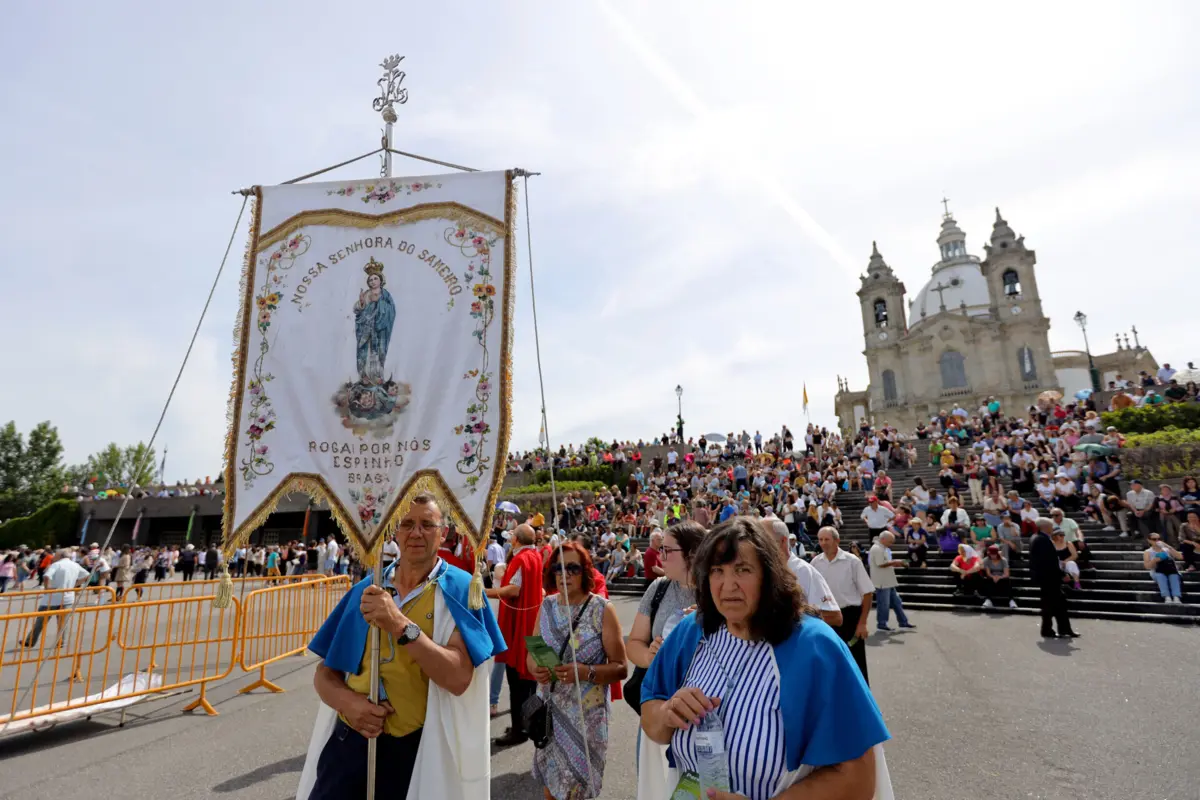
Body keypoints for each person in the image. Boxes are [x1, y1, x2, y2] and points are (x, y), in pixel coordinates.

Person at [640, 517, 893, 800]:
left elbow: (858, 778)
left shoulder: (814, 647)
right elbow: (652, 712)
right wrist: (667, 715)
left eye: (742, 570)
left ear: (769, 575)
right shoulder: (691, 632)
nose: (727, 585)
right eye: (716, 571)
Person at [297, 493, 506, 800]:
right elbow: (325, 674)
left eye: (427, 524)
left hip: (417, 752)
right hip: (348, 745)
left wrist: (399, 624)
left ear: (443, 533)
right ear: (395, 531)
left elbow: (459, 678)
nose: (416, 532)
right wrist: (348, 703)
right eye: (407, 523)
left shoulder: (463, 589)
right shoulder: (367, 589)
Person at [530, 542, 627, 800]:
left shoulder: (602, 609)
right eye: (557, 568)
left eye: (572, 568)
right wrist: (536, 670)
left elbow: (621, 667)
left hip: (586, 720)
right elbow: (533, 652)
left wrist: (585, 672)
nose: (564, 575)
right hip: (550, 715)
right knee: (550, 788)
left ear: (585, 571)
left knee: (578, 793)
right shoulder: (547, 605)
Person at [487, 523, 544, 747]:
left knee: (517, 680)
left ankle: (520, 729)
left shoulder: (521, 558)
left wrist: (484, 592)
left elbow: (514, 590)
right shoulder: (535, 556)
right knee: (528, 682)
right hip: (531, 623)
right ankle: (526, 723)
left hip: (520, 626)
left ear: (515, 540)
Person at [811, 526, 875, 685]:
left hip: (851, 618)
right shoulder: (815, 563)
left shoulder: (852, 561)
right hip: (825, 618)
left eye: (827, 539)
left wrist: (863, 623)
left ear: (837, 540)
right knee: (828, 662)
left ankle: (861, 704)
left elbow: (867, 593)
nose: (823, 543)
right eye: (820, 540)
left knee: (856, 662)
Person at [766, 518, 840, 627]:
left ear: (782, 541)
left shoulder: (803, 571)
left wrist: (788, 618)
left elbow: (835, 617)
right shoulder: (761, 571)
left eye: (764, 541)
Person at [23, 550, 88, 648]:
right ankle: (61, 642)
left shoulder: (56, 565)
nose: (54, 557)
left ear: (60, 556)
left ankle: (30, 641)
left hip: (52, 598)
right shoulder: (75, 565)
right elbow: (87, 575)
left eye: (56, 555)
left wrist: (47, 588)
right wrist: (75, 585)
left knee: (40, 621)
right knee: (62, 623)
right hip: (68, 597)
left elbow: (46, 576)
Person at [1029, 518, 1079, 639]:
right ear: (1045, 527)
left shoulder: (1037, 538)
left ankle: (1062, 629)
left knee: (1057, 604)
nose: (1053, 528)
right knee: (1051, 605)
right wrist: (1062, 575)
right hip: (1049, 578)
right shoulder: (1042, 540)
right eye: (1051, 526)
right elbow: (1049, 562)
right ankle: (1050, 630)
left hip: (1047, 577)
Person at [869, 531, 914, 633]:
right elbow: (881, 564)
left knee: (897, 602)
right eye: (890, 541)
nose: (891, 544)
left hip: (888, 581)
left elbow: (885, 564)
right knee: (884, 604)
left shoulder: (883, 548)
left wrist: (896, 563)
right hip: (882, 582)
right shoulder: (877, 549)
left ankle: (903, 621)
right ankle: (882, 624)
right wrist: (895, 562)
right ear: (883, 539)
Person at [1143, 533, 1184, 604]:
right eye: (1154, 539)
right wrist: (1155, 560)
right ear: (1149, 541)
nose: (1157, 541)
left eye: (1159, 539)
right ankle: (1167, 596)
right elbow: (1147, 566)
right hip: (1156, 571)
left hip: (1170, 570)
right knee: (1160, 576)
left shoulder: (1167, 549)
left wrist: (1167, 546)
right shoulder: (1148, 552)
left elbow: (1180, 557)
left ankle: (1176, 597)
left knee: (1174, 575)